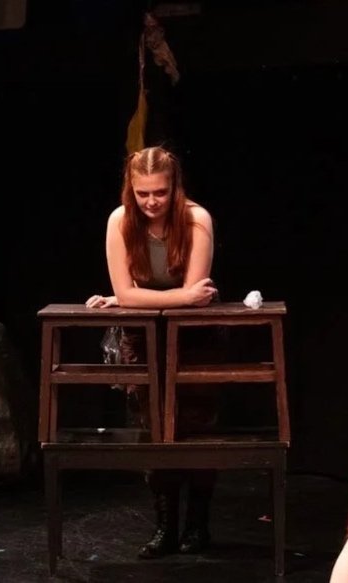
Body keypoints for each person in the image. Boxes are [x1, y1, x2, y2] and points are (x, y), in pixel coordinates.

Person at [86, 145, 221, 559]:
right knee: (152, 425)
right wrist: (137, 299)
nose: (151, 202)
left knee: (196, 427)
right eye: (142, 193)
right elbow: (134, 293)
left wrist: (140, 298)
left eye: (159, 192)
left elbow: (195, 296)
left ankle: (197, 526)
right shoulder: (120, 220)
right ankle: (165, 527)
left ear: (174, 187)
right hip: (142, 333)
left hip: (194, 335)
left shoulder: (196, 219)